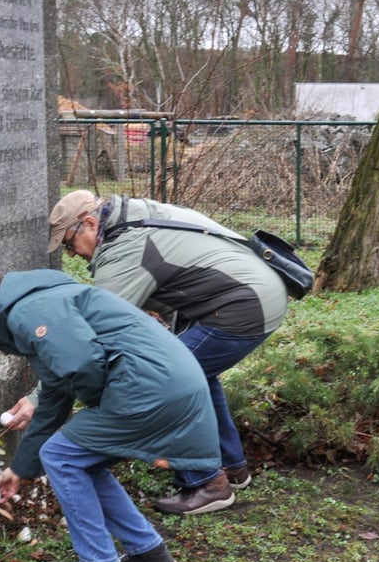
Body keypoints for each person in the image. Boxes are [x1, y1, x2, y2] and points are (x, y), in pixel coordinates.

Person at [37, 190, 290, 516]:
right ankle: (231, 465)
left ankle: (209, 484)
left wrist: (38, 397)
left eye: (69, 244)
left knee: (165, 381)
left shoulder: (123, 249)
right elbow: (173, 271)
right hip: (258, 291)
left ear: (88, 223)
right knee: (196, 372)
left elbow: (89, 334)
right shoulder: (135, 214)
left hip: (243, 306)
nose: (71, 255)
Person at [0, 270, 221, 562]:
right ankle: (149, 556)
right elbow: (56, 393)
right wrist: (20, 468)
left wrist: (98, 402)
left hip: (148, 388)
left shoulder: (28, 312)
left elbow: (80, 365)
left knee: (61, 457)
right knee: (83, 461)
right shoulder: (41, 301)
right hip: (166, 383)